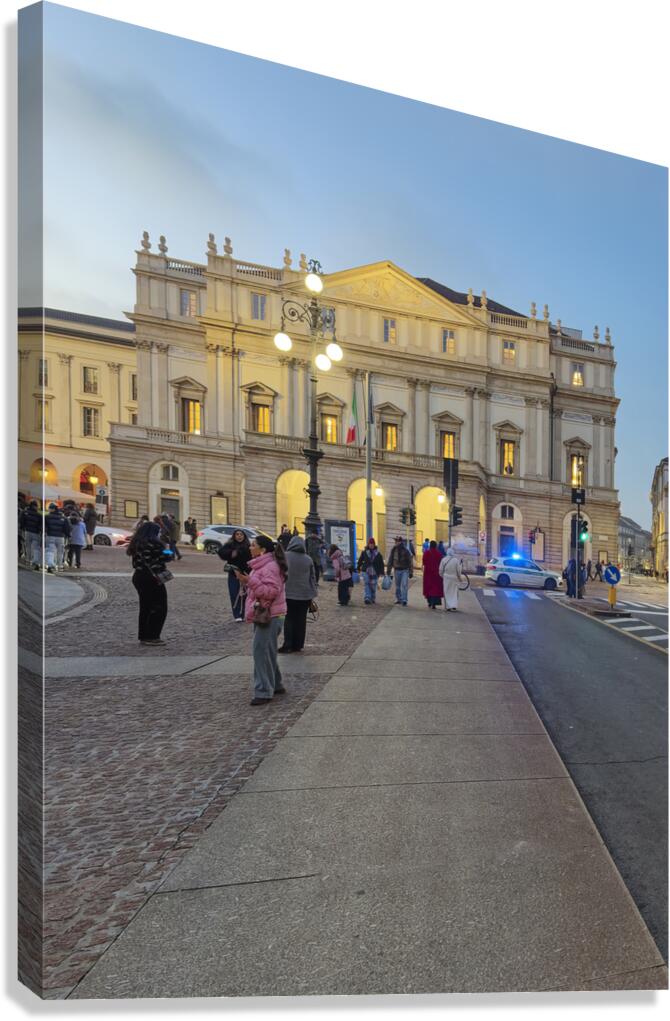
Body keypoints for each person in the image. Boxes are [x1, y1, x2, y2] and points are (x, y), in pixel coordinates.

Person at [237, 535, 288, 705]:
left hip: (270, 614)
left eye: (253, 545)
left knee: (261, 651)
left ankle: (264, 691)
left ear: (263, 549)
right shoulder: (263, 565)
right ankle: (276, 684)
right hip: (266, 613)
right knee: (267, 650)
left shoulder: (269, 567)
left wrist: (249, 581)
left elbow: (271, 591)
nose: (250, 548)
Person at [127, 520, 172, 645]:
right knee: (159, 607)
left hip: (139, 576)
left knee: (145, 607)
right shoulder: (154, 543)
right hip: (152, 578)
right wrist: (168, 549)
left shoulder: (136, 543)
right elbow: (167, 557)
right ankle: (152, 636)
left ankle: (144, 635)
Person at [280, 536, 318, 653]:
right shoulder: (308, 559)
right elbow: (313, 577)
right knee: (301, 620)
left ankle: (288, 644)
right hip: (304, 595)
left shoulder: (285, 556)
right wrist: (313, 593)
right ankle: (298, 645)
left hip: (289, 594)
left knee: (289, 619)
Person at [217, 529, 251, 621]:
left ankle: (244, 613)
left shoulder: (248, 546)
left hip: (245, 573)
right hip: (233, 573)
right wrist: (231, 553)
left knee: (245, 594)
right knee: (234, 592)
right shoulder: (230, 545)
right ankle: (237, 615)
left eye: (241, 534)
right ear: (234, 536)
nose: (239, 536)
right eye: (237, 534)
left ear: (244, 536)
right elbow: (221, 552)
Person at [357, 538, 385, 605]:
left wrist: (382, 572)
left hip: (375, 572)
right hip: (366, 571)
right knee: (367, 583)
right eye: (370, 544)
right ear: (368, 544)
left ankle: (372, 598)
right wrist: (358, 568)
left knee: (373, 586)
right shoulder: (364, 552)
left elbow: (381, 564)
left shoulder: (378, 554)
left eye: (372, 544)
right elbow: (360, 560)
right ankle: (367, 598)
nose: (371, 545)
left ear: (374, 544)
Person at [387, 535, 413, 606]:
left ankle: (404, 599)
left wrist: (411, 571)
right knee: (397, 586)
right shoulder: (393, 550)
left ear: (400, 542)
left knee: (404, 585)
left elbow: (410, 561)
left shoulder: (406, 550)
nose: (396, 542)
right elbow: (390, 560)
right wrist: (388, 570)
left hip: (405, 570)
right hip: (397, 570)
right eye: (395, 541)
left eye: (397, 541)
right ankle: (398, 599)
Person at [44, 503, 71, 573]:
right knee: (60, 552)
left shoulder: (47, 517)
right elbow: (67, 528)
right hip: (60, 537)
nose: (48, 509)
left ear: (52, 509)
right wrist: (68, 535)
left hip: (50, 536)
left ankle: (50, 565)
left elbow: (44, 527)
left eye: (49, 508)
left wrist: (44, 532)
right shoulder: (63, 518)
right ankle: (59, 566)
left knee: (50, 551)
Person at [20, 501, 44, 570]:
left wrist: (23, 528)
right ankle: (34, 561)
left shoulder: (25, 512)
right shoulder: (39, 515)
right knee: (35, 548)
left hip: (27, 531)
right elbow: (41, 525)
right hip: (36, 533)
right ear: (35, 506)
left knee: (28, 546)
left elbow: (22, 521)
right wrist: (40, 531)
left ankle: (28, 560)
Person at [422, 540, 444, 609]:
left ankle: (429, 602)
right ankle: (434, 603)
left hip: (428, 573)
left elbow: (424, 562)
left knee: (428, 588)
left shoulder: (426, 553)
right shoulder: (439, 554)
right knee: (435, 588)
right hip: (436, 574)